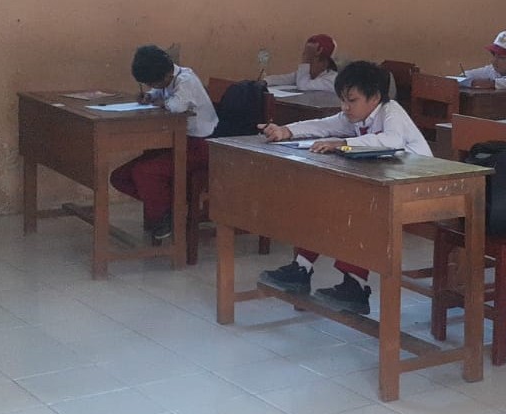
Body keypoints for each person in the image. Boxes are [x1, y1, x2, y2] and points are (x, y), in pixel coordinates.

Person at [258, 60, 431, 315]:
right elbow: (324, 124)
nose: (345, 107)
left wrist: (343, 143)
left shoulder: (391, 111)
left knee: (354, 208)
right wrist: (286, 131)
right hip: (386, 188)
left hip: (419, 189)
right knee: (330, 200)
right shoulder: (357, 116)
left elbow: (391, 140)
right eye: (342, 100)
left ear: (375, 97)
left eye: (352, 100)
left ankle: (355, 286)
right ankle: (302, 268)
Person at [110, 45, 218, 241]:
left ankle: (163, 216)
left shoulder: (186, 79)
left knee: (144, 172)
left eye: (154, 83)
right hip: (175, 142)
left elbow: (176, 106)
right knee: (120, 177)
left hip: (200, 146)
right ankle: (167, 208)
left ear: (167, 74)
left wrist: (159, 102)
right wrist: (150, 96)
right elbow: (158, 94)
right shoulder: (166, 79)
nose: (153, 86)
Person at [264, 34, 338, 92]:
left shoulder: (331, 80)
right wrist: (265, 81)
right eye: (304, 54)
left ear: (325, 63)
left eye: (310, 59)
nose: (307, 65)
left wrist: (306, 60)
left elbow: (303, 86)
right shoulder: (307, 73)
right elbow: (285, 79)